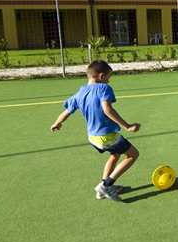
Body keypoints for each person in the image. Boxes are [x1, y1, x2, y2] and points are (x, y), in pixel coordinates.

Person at [51, 60, 141, 202]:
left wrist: (57, 123)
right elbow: (107, 109)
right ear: (100, 76)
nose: (108, 81)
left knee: (115, 154)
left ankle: (103, 188)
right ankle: (106, 185)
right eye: (108, 77)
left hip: (93, 137)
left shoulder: (79, 94)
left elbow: (66, 112)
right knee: (133, 155)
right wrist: (127, 126)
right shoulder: (104, 89)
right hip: (107, 137)